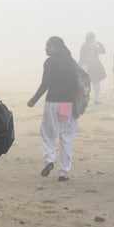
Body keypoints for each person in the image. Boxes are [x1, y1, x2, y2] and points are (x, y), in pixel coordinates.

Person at [27, 36, 79, 182]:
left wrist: (33, 100)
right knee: (66, 136)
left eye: (49, 46)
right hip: (67, 104)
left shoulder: (50, 62)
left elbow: (45, 84)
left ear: (57, 47)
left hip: (52, 103)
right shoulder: (70, 61)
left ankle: (49, 159)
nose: (46, 49)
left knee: (47, 132)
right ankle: (64, 173)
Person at [78, 32, 106, 104]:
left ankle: (96, 100)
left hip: (94, 67)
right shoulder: (84, 46)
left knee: (96, 83)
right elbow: (82, 57)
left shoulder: (93, 46)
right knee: (87, 84)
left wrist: (99, 43)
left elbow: (103, 51)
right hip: (87, 67)